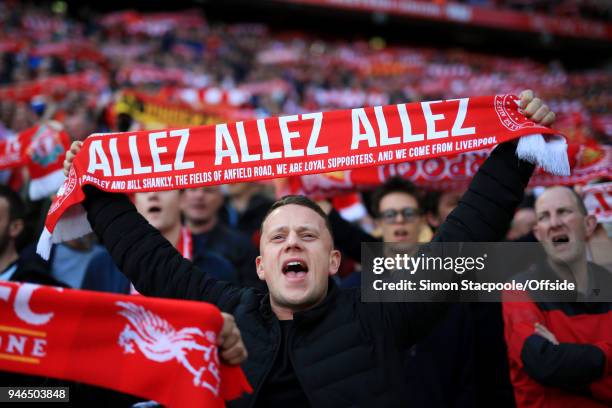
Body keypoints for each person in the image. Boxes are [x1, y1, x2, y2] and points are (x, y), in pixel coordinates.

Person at [65, 91, 554, 407]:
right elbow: (151, 262)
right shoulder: (228, 313)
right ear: (260, 266)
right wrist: (94, 188)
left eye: (308, 235)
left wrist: (516, 149)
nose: (293, 242)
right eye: (278, 237)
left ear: (335, 260)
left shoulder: (379, 312)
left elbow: (461, 240)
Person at [502, 186, 612, 407]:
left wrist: (563, 361)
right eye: (544, 217)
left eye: (564, 212)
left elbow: (553, 366)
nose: (554, 223)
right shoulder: (519, 289)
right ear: (537, 234)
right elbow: (543, 362)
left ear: (589, 225)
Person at [180, 186, 262, 288]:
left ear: (221, 198)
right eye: (193, 189)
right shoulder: (166, 241)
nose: (199, 196)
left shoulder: (241, 245)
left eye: (208, 190)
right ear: (181, 198)